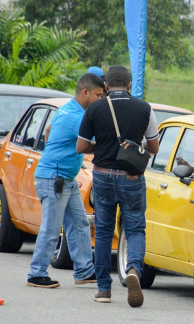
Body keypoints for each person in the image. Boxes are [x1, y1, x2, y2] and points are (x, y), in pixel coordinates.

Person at [76, 66, 159, 307]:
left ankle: (104, 289)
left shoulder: (95, 108)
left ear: (106, 86)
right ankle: (133, 269)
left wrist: (101, 146)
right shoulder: (145, 108)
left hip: (101, 176)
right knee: (134, 229)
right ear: (130, 85)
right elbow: (153, 148)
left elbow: (81, 147)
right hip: (131, 178)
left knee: (103, 231)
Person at [27, 73, 105, 288]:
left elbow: (50, 130)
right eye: (98, 95)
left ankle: (84, 271)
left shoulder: (68, 109)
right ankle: (36, 273)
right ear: (85, 92)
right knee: (52, 228)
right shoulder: (77, 117)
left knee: (79, 224)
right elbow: (93, 143)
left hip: (64, 178)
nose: (100, 99)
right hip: (54, 178)